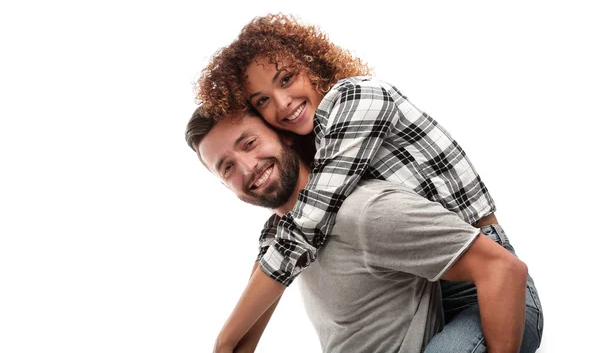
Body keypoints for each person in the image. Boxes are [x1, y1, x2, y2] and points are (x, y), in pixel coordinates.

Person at [195, 14, 544, 352]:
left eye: (286, 79)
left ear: (312, 63)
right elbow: (280, 243)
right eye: (262, 101)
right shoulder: (318, 150)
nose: (283, 103)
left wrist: (224, 340)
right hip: (434, 288)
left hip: (488, 285)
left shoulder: (357, 98)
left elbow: (305, 226)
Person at [186, 107, 529, 352]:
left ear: (285, 137)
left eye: (249, 143)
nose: (247, 167)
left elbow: (504, 268)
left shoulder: (364, 212)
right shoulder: (281, 238)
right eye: (227, 166)